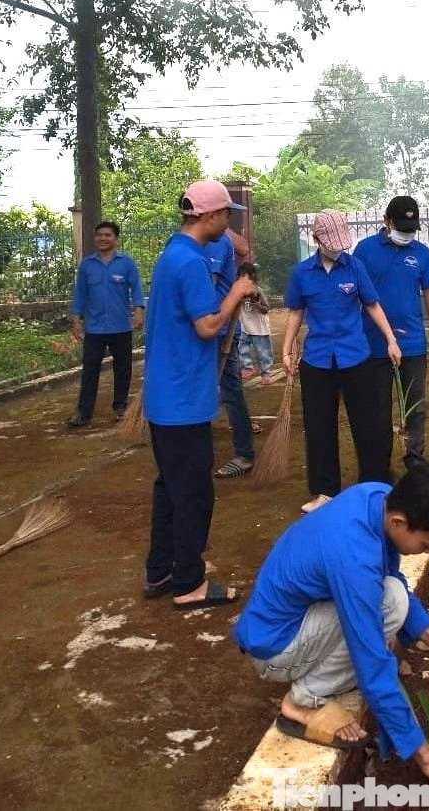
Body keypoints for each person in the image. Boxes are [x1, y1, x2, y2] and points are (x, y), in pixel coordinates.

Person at [233, 461, 429, 797]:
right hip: (275, 650)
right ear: (399, 522)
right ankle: (302, 703)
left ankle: (314, 686)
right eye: (427, 545)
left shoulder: (377, 497)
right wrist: (427, 758)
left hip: (287, 622)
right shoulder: (354, 558)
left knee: (392, 596)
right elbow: (373, 667)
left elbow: (393, 581)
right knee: (388, 608)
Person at [142, 180, 255, 608]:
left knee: (170, 487)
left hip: (168, 397)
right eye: (227, 216)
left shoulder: (173, 255)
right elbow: (208, 325)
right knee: (193, 492)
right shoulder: (189, 262)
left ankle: (163, 569)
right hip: (182, 399)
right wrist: (238, 293)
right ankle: (189, 583)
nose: (229, 225)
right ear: (209, 216)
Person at [282, 209, 402, 513]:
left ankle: (373, 485)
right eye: (330, 242)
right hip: (317, 359)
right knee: (319, 425)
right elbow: (296, 312)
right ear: (316, 238)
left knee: (368, 423)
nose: (337, 247)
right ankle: (324, 491)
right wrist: (286, 349)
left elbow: (372, 305)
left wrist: (391, 340)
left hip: (355, 356)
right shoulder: (301, 273)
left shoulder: (355, 267)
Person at [353, 195, 429, 470]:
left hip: (412, 344)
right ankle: (379, 466)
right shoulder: (365, 250)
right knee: (378, 409)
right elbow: (356, 293)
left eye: (411, 230)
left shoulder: (422, 254)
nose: (406, 235)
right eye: (401, 228)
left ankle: (415, 460)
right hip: (373, 344)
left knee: (415, 407)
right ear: (386, 221)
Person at [67, 221, 144, 427]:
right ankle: (84, 413)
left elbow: (136, 289)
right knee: (90, 370)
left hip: (121, 327)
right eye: (99, 235)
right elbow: (81, 294)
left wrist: (138, 312)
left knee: (123, 369)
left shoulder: (126, 263)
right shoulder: (87, 265)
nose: (103, 238)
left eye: (107, 235)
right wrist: (76, 319)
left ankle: (120, 406)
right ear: (95, 238)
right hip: (95, 328)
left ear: (115, 239)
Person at [204, 228, 257, 479]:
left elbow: (208, 287)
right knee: (224, 388)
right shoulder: (196, 242)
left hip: (217, 329)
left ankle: (244, 453)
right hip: (209, 327)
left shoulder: (217, 241)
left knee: (230, 389)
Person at [237, 261, 274, 383]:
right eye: (241, 276)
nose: (243, 279)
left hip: (259, 328)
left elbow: (266, 308)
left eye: (245, 276)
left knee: (263, 351)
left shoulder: (258, 291)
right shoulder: (237, 291)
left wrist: (257, 305)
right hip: (245, 326)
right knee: (241, 348)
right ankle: (247, 367)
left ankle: (266, 372)